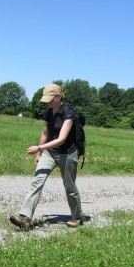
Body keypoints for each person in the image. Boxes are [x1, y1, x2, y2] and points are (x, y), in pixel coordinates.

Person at [10, 83, 83, 229]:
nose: (48, 102)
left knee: (69, 187)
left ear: (59, 96)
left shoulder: (69, 113)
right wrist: (39, 153)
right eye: (46, 99)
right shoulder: (49, 111)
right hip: (50, 152)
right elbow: (45, 133)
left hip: (67, 153)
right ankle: (25, 218)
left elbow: (61, 139)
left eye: (50, 98)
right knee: (37, 180)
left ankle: (77, 216)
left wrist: (39, 147)